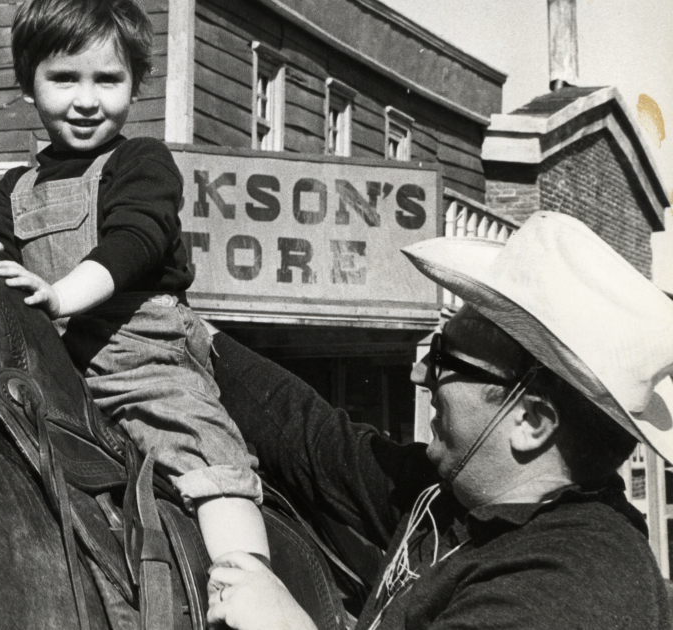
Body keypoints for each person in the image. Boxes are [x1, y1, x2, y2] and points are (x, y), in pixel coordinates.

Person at [203, 211, 673, 629]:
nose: (419, 373)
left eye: (444, 358)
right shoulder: (458, 497)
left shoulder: (574, 584)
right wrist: (190, 332)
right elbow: (314, 437)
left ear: (530, 421)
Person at [0, 0, 270, 564]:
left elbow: (133, 243)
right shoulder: (14, 189)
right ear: (29, 85)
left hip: (139, 356)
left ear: (135, 86)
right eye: (64, 78)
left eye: (108, 79)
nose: (87, 100)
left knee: (200, 445)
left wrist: (60, 294)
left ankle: (248, 581)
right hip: (45, 363)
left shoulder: (142, 162)